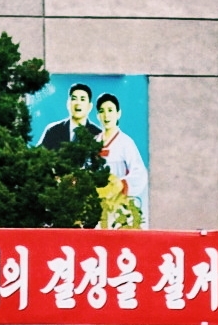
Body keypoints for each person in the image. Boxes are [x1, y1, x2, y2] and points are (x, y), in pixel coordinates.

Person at [94, 92, 149, 228]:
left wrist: (121, 184)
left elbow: (139, 173)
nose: (106, 115)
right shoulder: (93, 142)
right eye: (102, 111)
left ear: (118, 113)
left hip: (118, 206)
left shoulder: (126, 142)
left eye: (110, 110)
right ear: (98, 115)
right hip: (97, 206)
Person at [38, 83, 100, 148]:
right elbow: (39, 153)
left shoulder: (97, 134)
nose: (78, 103)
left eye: (82, 99)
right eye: (74, 99)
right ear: (68, 103)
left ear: (90, 106)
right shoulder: (53, 131)